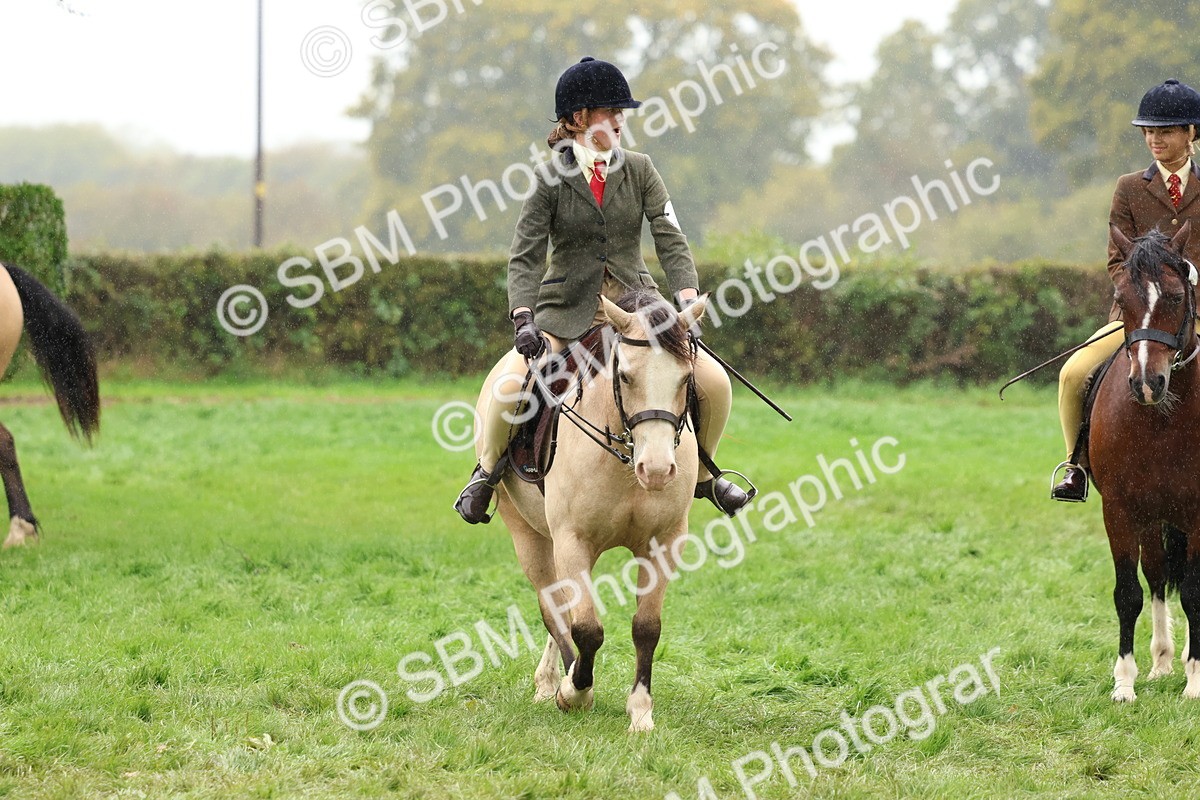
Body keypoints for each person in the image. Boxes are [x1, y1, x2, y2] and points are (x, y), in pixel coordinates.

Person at [455, 56, 753, 524]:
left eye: (622, 112)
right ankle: (486, 474)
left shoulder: (640, 169)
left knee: (712, 379)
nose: (620, 121)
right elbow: (527, 254)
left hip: (639, 307)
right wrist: (523, 316)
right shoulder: (547, 179)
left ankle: (705, 474)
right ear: (576, 120)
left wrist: (688, 300)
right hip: (567, 312)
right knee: (511, 387)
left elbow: (668, 234)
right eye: (608, 111)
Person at [1052, 79, 1200, 501]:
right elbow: (1117, 260)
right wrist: (1138, 292)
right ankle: (1075, 465)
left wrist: (1191, 276)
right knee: (1073, 373)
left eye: (1165, 131)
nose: (1154, 139)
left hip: (1197, 310)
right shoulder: (1129, 187)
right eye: (1149, 131)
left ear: (1191, 132)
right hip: (1137, 317)